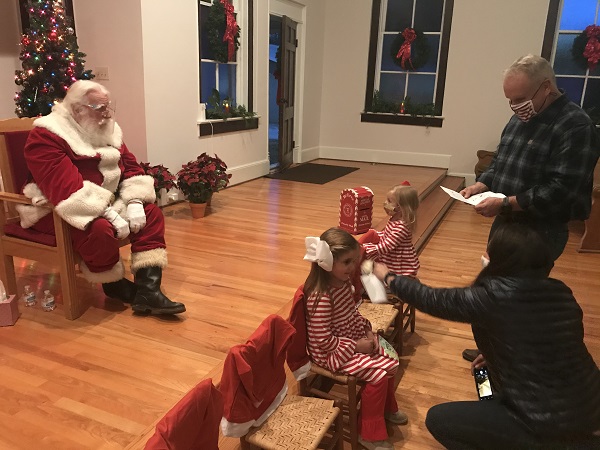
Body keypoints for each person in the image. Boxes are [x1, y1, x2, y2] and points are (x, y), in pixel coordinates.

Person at [373, 223, 600, 450]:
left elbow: (431, 299)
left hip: (545, 423)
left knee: (438, 420)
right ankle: (491, 410)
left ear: (502, 260)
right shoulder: (560, 290)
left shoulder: (494, 296)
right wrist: (494, 353)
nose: (484, 256)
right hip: (590, 405)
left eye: (488, 251)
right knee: (482, 371)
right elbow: (548, 341)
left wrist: (389, 277)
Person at [459, 54, 599, 361]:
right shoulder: (519, 119)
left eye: (520, 98)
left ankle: (511, 363)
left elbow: (560, 190)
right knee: (496, 290)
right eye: (509, 100)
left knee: (518, 298)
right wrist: (483, 184)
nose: (514, 106)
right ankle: (491, 351)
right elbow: (502, 162)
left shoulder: (576, 126)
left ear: (545, 87)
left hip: (541, 229)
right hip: (507, 222)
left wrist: (505, 203)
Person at [17, 80, 185, 315]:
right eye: (100, 109)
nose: (107, 114)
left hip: (105, 201)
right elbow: (66, 190)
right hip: (55, 209)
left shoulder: (106, 128)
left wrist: (135, 201)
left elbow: (131, 166)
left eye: (108, 107)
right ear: (78, 110)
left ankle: (148, 291)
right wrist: (110, 214)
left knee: (151, 214)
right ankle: (112, 284)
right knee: (99, 230)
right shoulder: (47, 136)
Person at [303, 227, 406, 450]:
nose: (353, 267)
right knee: (378, 376)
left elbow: (352, 313)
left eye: (354, 261)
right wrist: (357, 346)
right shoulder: (321, 297)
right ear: (328, 264)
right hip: (331, 353)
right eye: (347, 262)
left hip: (349, 339)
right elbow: (322, 340)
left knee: (391, 360)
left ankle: (384, 408)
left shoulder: (341, 285)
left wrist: (368, 331)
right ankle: (368, 434)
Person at [362, 183, 420, 278]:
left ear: (401, 207)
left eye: (389, 201)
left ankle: (396, 284)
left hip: (399, 259)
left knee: (395, 274)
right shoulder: (394, 218)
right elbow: (388, 233)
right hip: (393, 255)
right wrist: (378, 234)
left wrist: (369, 248)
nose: (385, 203)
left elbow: (388, 245)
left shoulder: (401, 227)